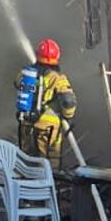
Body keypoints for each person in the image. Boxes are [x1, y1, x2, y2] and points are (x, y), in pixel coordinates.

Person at [16, 38, 76, 168]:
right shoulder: (57, 78)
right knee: (49, 161)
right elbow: (68, 101)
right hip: (48, 126)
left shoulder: (26, 74)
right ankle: (49, 180)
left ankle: (26, 179)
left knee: (26, 159)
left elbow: (17, 83)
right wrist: (68, 116)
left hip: (26, 121)